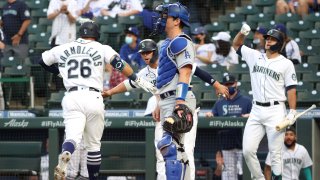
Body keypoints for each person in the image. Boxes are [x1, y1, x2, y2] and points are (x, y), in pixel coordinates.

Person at [39, 21, 156, 180]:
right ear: (96, 34)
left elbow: (42, 61)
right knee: (93, 146)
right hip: (94, 96)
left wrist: (61, 73)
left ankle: (66, 152)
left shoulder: (64, 47)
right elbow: (119, 64)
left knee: (72, 137)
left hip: (72, 97)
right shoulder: (102, 47)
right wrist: (136, 78)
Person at [102, 38, 229, 180]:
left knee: (185, 149)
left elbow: (196, 70)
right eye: (143, 53)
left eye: (148, 52)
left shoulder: (171, 61)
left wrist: (215, 84)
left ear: (155, 52)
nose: (145, 55)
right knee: (163, 149)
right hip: (164, 107)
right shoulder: (145, 73)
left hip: (183, 103)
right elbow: (128, 84)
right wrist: (110, 92)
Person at [150, 2, 229, 180]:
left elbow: (186, 73)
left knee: (169, 147)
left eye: (165, 16)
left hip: (178, 99)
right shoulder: (166, 43)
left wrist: (179, 102)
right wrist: (158, 103)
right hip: (166, 99)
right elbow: (163, 78)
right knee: (176, 150)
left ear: (177, 20)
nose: (161, 19)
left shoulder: (181, 41)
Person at [233, 24, 298, 179]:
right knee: (248, 150)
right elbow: (236, 44)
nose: (268, 41)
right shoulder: (254, 56)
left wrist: (293, 111)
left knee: (275, 155)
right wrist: (242, 32)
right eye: (267, 38)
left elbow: (291, 89)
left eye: (273, 39)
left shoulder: (286, 64)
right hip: (256, 109)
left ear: (280, 44)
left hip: (276, 110)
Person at [206, 74, 252, 180]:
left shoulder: (246, 100)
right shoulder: (220, 102)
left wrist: (250, 116)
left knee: (245, 172)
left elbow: (256, 115)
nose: (229, 86)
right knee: (231, 173)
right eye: (226, 84)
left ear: (236, 84)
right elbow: (213, 113)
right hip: (226, 144)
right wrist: (210, 114)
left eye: (231, 83)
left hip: (243, 144)